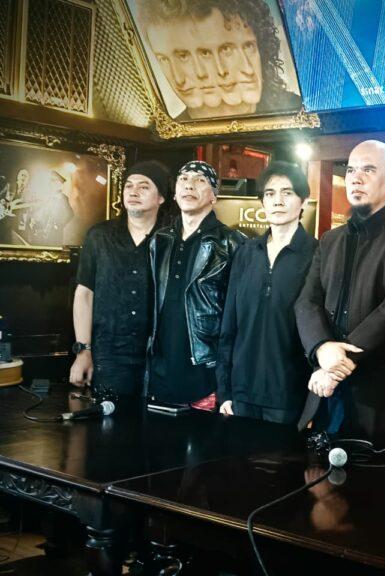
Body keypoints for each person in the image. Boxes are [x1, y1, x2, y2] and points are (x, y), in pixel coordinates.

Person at [294, 140, 385, 441]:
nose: (356, 179)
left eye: (368, 170)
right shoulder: (330, 239)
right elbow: (306, 301)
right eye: (351, 171)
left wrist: (337, 366)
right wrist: (321, 347)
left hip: (382, 402)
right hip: (327, 397)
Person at [217, 162, 317, 423]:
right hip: (241, 393)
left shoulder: (317, 254)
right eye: (270, 194)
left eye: (287, 192)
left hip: (289, 394)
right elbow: (229, 326)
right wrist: (224, 390)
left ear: (304, 201)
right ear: (262, 202)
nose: (278, 201)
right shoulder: (246, 253)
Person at [147, 161, 246, 408]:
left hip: (206, 372)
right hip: (160, 370)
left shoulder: (232, 243)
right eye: (183, 179)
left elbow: (239, 316)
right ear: (174, 193)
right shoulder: (160, 240)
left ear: (214, 196)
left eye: (200, 180)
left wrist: (226, 380)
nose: (189, 185)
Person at [69, 161, 170, 396]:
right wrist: (83, 351)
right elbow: (84, 294)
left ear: (161, 198)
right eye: (129, 186)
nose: (133, 192)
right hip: (109, 355)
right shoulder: (99, 236)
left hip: (161, 356)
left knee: (159, 420)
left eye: (144, 187)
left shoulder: (172, 238)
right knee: (110, 418)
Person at [136, 0, 301, 119]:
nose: (179, 80)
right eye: (183, 56)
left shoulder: (297, 109)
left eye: (248, 46)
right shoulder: (168, 131)